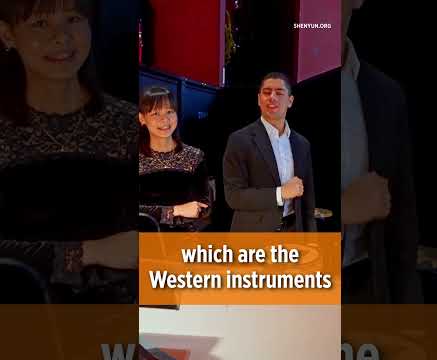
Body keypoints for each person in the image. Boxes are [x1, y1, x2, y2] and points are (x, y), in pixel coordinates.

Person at [0, 0, 138, 303]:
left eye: (73, 19)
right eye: (40, 23)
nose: (61, 37)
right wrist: (86, 252)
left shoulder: (127, 123)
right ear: (7, 34)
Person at [223, 72, 316, 232]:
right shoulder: (239, 140)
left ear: (290, 101)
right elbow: (234, 196)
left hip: (294, 233)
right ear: (259, 99)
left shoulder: (302, 144)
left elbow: (308, 199)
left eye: (279, 93)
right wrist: (280, 193)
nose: (272, 97)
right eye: (267, 92)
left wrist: (313, 240)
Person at [138, 86, 211, 232]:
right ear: (142, 118)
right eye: (155, 113)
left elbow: (204, 206)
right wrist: (174, 210)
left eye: (169, 112)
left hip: (186, 243)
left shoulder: (194, 156)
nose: (164, 119)